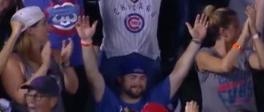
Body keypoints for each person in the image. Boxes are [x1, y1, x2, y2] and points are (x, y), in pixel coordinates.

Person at [76, 14, 207, 112]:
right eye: (132, 77)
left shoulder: (154, 99)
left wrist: (196, 41)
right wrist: (86, 41)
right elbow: (93, 75)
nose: (138, 82)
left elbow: (178, 74)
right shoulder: (108, 99)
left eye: (142, 78)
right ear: (120, 79)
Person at [1, 6, 77, 112]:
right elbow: (21, 98)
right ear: (30, 30)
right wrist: (45, 66)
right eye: (44, 23)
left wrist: (66, 63)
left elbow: (73, 89)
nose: (49, 28)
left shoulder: (54, 53)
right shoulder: (13, 61)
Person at [196, 5, 264, 112]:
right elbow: (224, 66)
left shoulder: (243, 53)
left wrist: (254, 32)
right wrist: (243, 37)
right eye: (236, 27)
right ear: (223, 32)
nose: (240, 30)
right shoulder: (203, 55)